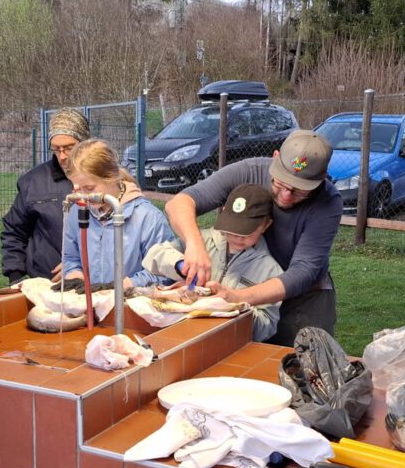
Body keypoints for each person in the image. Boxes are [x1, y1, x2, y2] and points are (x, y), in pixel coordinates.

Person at [165, 129, 343, 347]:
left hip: (304, 299)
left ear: (321, 179)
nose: (286, 196)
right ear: (275, 157)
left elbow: (303, 271)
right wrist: (194, 246)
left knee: (306, 361)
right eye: (280, 183)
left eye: (299, 190)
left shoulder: (328, 202)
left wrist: (237, 298)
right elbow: (179, 204)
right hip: (247, 282)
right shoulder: (248, 171)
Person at [144, 183, 284, 341]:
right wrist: (181, 264)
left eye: (247, 231)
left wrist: (235, 309)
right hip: (182, 330)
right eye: (233, 228)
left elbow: (267, 326)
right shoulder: (202, 240)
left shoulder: (270, 270)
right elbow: (154, 255)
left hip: (225, 340)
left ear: (265, 225)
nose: (238, 237)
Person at [61, 139, 174, 290]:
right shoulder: (78, 212)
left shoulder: (147, 218)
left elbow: (164, 271)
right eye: (77, 188)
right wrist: (75, 277)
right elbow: (70, 257)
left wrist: (121, 286)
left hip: (132, 301)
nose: (83, 196)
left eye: (89, 188)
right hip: (89, 300)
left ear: (111, 178)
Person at [1, 108, 89, 284]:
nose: (62, 156)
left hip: (96, 283)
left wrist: (76, 264)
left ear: (85, 143)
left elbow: (119, 237)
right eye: (56, 149)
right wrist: (15, 277)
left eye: (69, 148)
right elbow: (14, 232)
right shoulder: (32, 182)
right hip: (45, 283)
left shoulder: (105, 179)